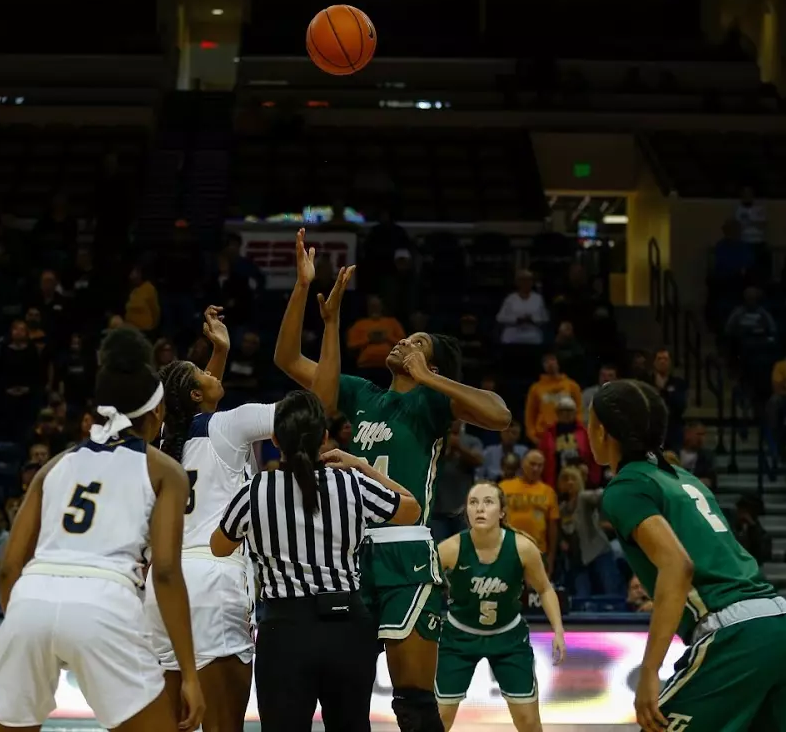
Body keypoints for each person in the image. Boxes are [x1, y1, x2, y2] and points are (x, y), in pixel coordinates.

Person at [275, 229, 512, 732]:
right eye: (406, 338)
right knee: (345, 701)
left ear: (432, 362)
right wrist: (308, 295)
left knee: (414, 701)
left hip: (405, 549)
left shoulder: (432, 400)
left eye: (416, 342)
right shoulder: (362, 393)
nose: (403, 341)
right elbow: (288, 360)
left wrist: (428, 376)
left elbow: (500, 415)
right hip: (348, 552)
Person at [0, 327, 204, 732]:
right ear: (157, 412)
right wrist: (189, 674)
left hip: (30, 601)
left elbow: (8, 569)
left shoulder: (54, 466)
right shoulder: (164, 470)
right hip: (105, 602)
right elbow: (166, 573)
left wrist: (30, 622)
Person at [593, 379, 786, 731]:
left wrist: (649, 670)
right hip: (783, 625)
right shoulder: (683, 478)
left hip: (735, 634)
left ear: (601, 431)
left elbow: (677, 565)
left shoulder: (626, 486)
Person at [211, 390, 420, 731]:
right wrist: (363, 466)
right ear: (324, 437)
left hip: (284, 631)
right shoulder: (352, 484)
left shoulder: (256, 490)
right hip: (346, 627)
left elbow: (219, 546)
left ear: (275, 439)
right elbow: (412, 509)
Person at [145, 305, 270, 732]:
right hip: (216, 576)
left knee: (168, 725)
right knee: (222, 727)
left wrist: (219, 353)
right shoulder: (229, 427)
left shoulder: (165, 440)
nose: (209, 372)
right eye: (200, 373)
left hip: (162, 584)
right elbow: (310, 410)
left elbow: (199, 409)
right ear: (195, 395)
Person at [434, 481, 566, 732]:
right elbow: (423, 587)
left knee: (528, 722)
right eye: (473, 503)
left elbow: (545, 589)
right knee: (439, 719)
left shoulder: (523, 547)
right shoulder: (449, 549)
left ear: (502, 512)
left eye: (488, 502)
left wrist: (558, 631)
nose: (480, 509)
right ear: (466, 511)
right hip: (459, 636)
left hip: (508, 637)